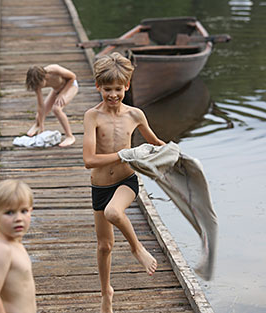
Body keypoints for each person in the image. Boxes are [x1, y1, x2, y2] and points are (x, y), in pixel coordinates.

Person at [82, 52, 165, 313]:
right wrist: (121, 154)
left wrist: (176, 154)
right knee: (104, 245)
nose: (113, 95)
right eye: (107, 89)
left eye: (118, 89)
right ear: (98, 87)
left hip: (126, 182)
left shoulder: (136, 115)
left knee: (114, 212)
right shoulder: (92, 116)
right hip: (100, 186)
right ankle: (106, 291)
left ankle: (137, 249)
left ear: (126, 86)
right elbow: (89, 160)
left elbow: (155, 143)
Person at [0, 179, 36, 313]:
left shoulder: (11, 242)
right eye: (10, 212)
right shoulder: (2, 250)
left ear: (31, 211)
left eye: (24, 211)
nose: (18, 218)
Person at [25, 64, 78, 147]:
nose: (38, 87)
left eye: (39, 84)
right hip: (56, 90)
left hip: (71, 86)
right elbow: (41, 106)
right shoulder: (36, 82)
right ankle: (37, 125)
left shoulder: (54, 70)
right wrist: (42, 127)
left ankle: (70, 136)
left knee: (56, 108)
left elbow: (73, 77)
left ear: (44, 77)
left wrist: (62, 94)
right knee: (40, 114)